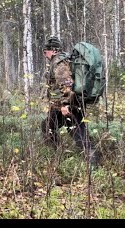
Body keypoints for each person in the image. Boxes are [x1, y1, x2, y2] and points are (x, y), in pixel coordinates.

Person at [41, 36, 99, 167]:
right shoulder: (64, 60)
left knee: (78, 134)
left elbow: (67, 85)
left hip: (68, 106)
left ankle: (93, 163)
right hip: (64, 106)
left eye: (46, 51)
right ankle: (56, 156)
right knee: (48, 126)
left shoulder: (59, 63)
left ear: (54, 50)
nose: (45, 54)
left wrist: (65, 105)